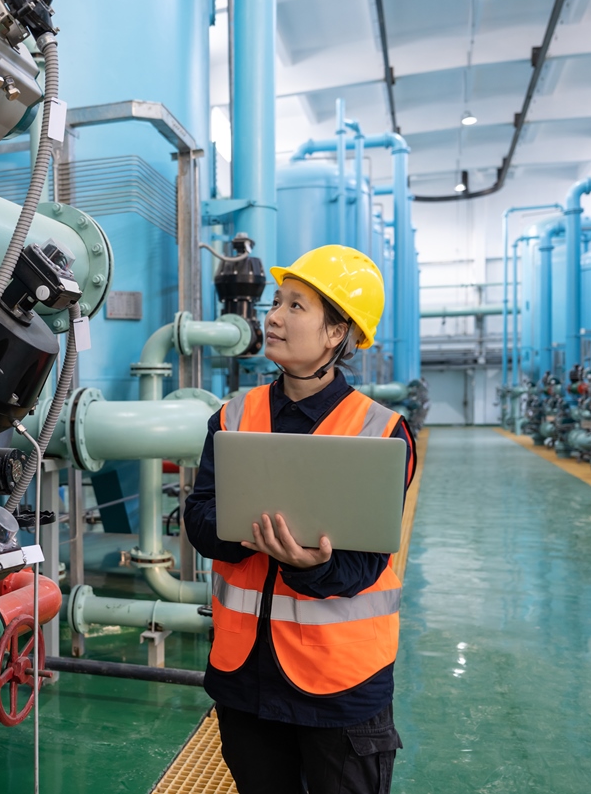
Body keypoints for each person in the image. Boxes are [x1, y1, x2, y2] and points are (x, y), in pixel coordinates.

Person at [183, 244, 417, 794]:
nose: (273, 317)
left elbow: (363, 564)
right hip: (246, 679)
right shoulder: (235, 416)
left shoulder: (380, 433)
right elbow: (198, 520)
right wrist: (248, 535)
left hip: (339, 686)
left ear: (337, 334)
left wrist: (309, 567)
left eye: (296, 306)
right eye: (276, 302)